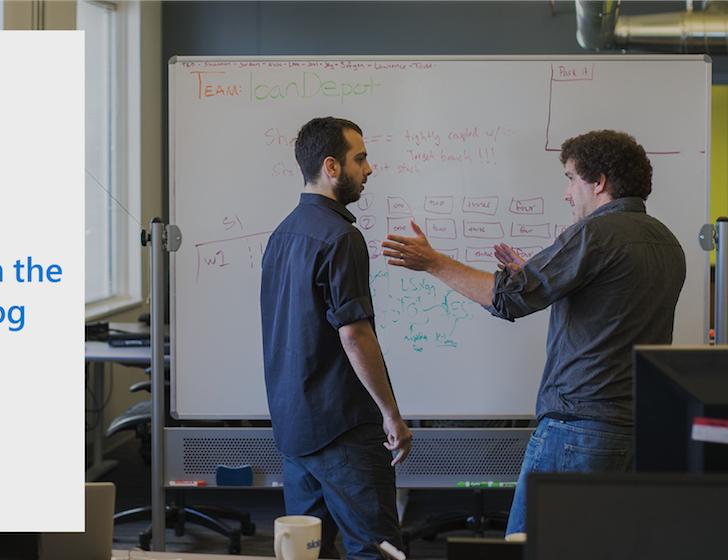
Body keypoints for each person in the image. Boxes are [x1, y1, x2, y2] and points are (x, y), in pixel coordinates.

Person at [381, 129, 686, 536]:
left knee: (531, 547)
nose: (566, 192)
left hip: (577, 431)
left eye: (570, 178)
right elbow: (608, 310)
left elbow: (508, 300)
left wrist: (433, 262)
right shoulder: (666, 241)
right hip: (634, 431)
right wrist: (536, 277)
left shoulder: (595, 234)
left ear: (599, 183)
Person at [260, 117, 413, 559]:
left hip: (295, 429)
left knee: (307, 553)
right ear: (331, 166)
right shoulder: (341, 237)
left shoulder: (282, 235)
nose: (369, 169)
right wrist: (392, 416)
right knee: (375, 551)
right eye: (359, 159)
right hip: (343, 429)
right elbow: (355, 334)